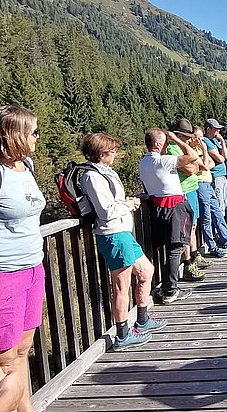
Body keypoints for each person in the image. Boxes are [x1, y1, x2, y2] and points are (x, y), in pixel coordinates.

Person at [0, 105, 45, 412]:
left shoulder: (26, 166)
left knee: (22, 351)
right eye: (32, 131)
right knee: (0, 363)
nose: (36, 136)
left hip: (32, 269)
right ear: (12, 134)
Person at [79, 133, 167, 351]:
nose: (115, 153)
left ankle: (143, 319)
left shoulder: (104, 172)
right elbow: (105, 210)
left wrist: (126, 203)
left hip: (122, 232)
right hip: (113, 234)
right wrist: (127, 204)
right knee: (121, 286)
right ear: (101, 153)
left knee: (146, 271)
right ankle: (122, 334)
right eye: (112, 150)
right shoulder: (92, 176)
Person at [139, 128, 198, 304]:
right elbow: (193, 156)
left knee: (168, 248)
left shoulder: (144, 162)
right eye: (165, 141)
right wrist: (177, 140)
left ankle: (166, 285)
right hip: (174, 207)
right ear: (157, 144)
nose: (167, 144)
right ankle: (170, 289)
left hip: (157, 207)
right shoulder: (163, 161)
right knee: (176, 248)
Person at [165, 119, 208, 281]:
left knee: (193, 225)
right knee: (185, 229)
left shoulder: (183, 147)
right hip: (182, 191)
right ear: (179, 135)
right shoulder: (172, 148)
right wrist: (194, 164)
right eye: (186, 136)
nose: (190, 139)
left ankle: (194, 256)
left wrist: (194, 164)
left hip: (192, 189)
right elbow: (191, 169)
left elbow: (200, 165)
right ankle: (188, 263)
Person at [193, 126, 227, 258]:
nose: (201, 140)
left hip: (208, 182)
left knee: (218, 213)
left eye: (201, 137)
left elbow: (211, 162)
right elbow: (207, 164)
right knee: (206, 216)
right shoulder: (192, 151)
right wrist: (205, 158)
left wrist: (205, 160)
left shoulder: (201, 148)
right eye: (197, 137)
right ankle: (213, 246)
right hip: (200, 184)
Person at [203, 118, 227, 213]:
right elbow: (220, 159)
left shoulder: (215, 141)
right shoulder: (206, 141)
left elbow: (225, 156)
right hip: (216, 176)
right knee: (220, 203)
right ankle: (219, 226)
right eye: (216, 128)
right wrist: (221, 157)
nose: (218, 131)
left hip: (222, 175)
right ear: (208, 129)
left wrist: (222, 140)